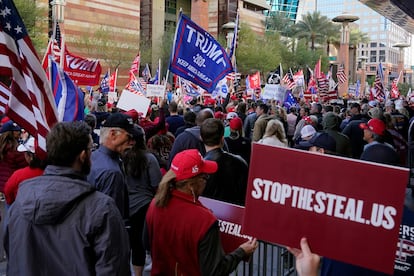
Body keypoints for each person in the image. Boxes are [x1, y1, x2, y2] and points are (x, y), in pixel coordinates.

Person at [4, 121, 130, 275]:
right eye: (91, 149)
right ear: (83, 156)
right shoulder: (102, 210)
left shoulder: (18, 206)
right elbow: (113, 269)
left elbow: (12, 256)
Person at [145, 149, 258, 275]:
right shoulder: (204, 220)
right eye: (205, 177)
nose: (206, 181)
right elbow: (214, 271)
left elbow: (147, 244)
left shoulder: (155, 204)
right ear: (191, 185)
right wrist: (241, 251)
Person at [123, 125, 162, 276]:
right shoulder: (149, 159)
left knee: (134, 243)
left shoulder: (122, 158)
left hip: (126, 207)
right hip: (145, 207)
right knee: (145, 242)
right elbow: (157, 186)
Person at [87, 112, 138, 221]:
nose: (132, 142)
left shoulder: (94, 157)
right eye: (129, 137)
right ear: (113, 134)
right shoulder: (111, 172)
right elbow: (109, 218)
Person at [201, 118, 248, 205]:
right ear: (223, 139)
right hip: (234, 213)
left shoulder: (200, 168)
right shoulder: (241, 162)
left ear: (201, 139)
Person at [4, 137, 46, 205]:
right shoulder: (55, 172)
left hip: (23, 210)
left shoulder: (18, 175)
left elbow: (8, 194)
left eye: (25, 153)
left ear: (30, 156)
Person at [0, 120, 27, 194]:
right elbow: (25, 165)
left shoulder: (3, 147)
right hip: (13, 186)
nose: (19, 132)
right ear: (10, 133)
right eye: (16, 131)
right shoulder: (17, 150)